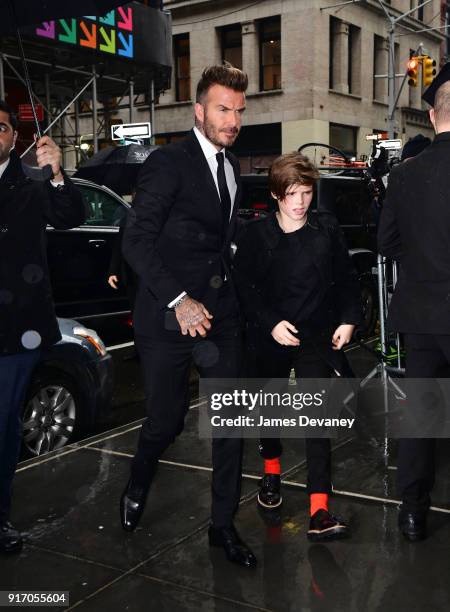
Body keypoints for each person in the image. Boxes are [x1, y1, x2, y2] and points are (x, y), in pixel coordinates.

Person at [120, 64, 257, 568]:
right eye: (224, 109)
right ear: (198, 110)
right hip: (167, 317)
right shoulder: (167, 163)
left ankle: (222, 526)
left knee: (230, 422)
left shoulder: (233, 165)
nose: (233, 119)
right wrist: (178, 299)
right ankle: (139, 477)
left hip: (220, 318)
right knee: (166, 420)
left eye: (240, 110)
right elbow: (135, 239)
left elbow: (219, 244)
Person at [233, 152, 361, 541]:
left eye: (306, 192)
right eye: (292, 194)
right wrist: (270, 323)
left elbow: (346, 280)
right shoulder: (256, 235)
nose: (300, 202)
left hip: (316, 336)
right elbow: (245, 290)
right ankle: (271, 471)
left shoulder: (326, 230)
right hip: (271, 335)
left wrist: (349, 318)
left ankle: (319, 509)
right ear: (276, 194)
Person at [0, 100, 86, 554]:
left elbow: (72, 215)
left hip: (15, 331)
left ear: (14, 137)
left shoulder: (33, 182)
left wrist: (57, 173)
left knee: (2, 424)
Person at [377, 63, 450, 542]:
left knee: (422, 415)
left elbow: (385, 243)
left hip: (421, 317)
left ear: (430, 113)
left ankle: (411, 513)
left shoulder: (404, 176)